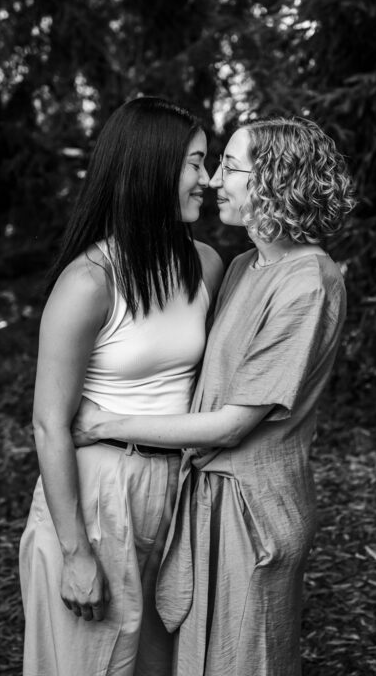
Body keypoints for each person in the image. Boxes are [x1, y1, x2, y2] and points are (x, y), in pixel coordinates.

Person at [72, 116, 356, 676]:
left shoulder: (308, 282)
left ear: (273, 182)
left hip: (254, 512)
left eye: (229, 165)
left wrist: (103, 423)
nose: (213, 179)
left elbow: (230, 425)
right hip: (200, 500)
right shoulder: (247, 266)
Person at [19, 96, 223, 676]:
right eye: (194, 163)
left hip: (181, 489)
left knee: (163, 666)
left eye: (206, 164)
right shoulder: (90, 282)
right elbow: (49, 424)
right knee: (88, 664)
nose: (205, 180)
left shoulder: (204, 264)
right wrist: (75, 552)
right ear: (152, 169)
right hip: (100, 492)